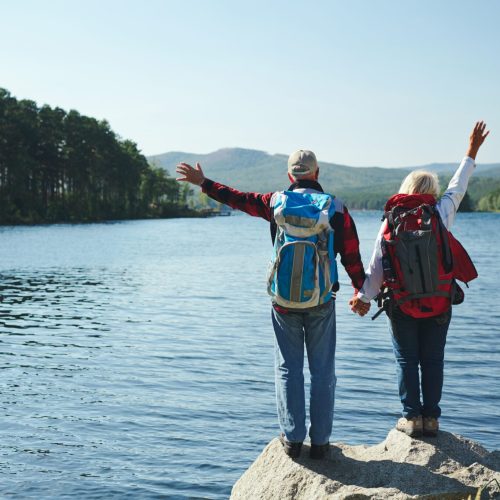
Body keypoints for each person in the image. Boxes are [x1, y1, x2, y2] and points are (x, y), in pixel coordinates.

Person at [176, 150, 368, 459]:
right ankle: (320, 443)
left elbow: (238, 199)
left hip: (282, 301)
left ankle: (292, 440)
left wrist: (205, 183)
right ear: (317, 173)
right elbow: (352, 256)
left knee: (287, 368)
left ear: (290, 176)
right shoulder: (336, 208)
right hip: (321, 300)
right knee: (323, 372)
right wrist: (362, 292)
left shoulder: (275, 202)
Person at [350, 122, 489, 437]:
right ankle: (432, 419)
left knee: (407, 360)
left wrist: (362, 299)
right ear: (431, 194)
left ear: (405, 189)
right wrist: (472, 150)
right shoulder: (439, 214)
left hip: (401, 304)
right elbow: (459, 186)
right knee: (433, 360)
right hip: (439, 302)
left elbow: (376, 267)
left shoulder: (391, 221)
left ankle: (411, 418)